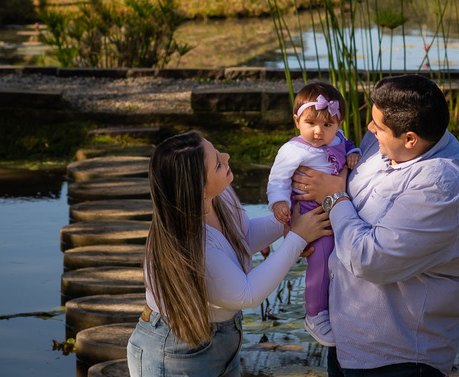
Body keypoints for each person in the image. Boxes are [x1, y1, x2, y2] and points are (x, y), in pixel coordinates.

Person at [292, 74, 459, 377]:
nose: (369, 130)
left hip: (399, 359)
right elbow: (347, 197)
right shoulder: (387, 143)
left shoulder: (441, 186)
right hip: (348, 342)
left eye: (378, 126)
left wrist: (333, 197)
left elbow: (370, 259)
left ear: (410, 138)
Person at [128, 130, 332, 377]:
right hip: (175, 351)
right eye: (217, 163)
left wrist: (287, 223)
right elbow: (247, 295)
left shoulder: (219, 197)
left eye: (218, 151)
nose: (227, 156)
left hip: (222, 339)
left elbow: (241, 239)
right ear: (199, 189)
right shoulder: (193, 243)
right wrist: (298, 238)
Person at [266, 81, 362, 347]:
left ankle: (334, 307)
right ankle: (315, 314)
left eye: (328, 125)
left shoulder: (339, 139)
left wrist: (354, 153)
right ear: (297, 121)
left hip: (337, 212)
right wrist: (279, 204)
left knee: (339, 262)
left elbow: (347, 144)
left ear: (339, 124)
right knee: (320, 262)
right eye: (311, 124)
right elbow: (278, 180)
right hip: (313, 217)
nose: (319, 132)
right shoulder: (293, 150)